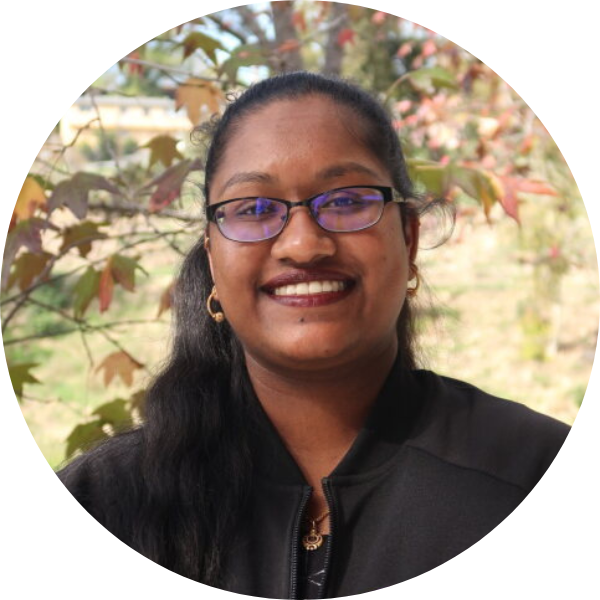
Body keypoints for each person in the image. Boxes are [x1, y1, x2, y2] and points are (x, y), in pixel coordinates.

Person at [57, 72, 570, 599]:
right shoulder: (97, 506)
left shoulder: (541, 480)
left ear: (409, 238)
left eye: (347, 200)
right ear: (212, 257)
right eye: (254, 208)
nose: (303, 246)